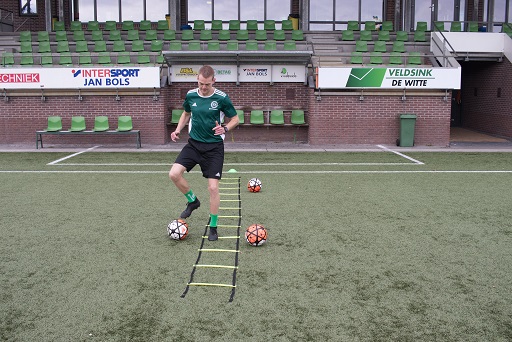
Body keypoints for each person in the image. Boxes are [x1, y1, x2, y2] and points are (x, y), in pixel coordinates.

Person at [169, 65, 239, 241]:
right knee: (174, 174)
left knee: (213, 188)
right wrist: (177, 130)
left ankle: (213, 227)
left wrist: (225, 128)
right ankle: (193, 201)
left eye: (207, 84)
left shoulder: (222, 98)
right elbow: (186, 114)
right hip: (193, 145)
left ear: (213, 81)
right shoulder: (191, 95)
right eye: (200, 83)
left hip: (214, 148)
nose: (203, 87)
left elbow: (236, 119)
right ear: (197, 80)